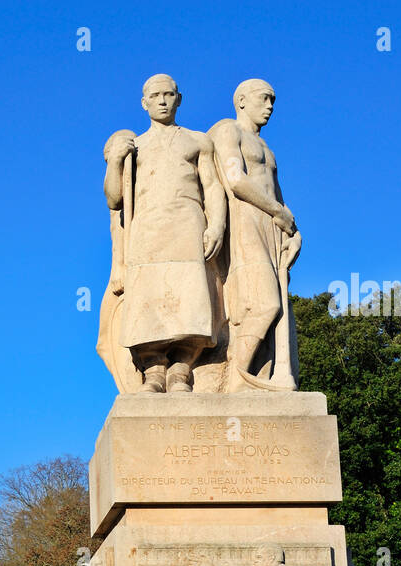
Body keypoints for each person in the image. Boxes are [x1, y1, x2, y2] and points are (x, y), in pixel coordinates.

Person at [99, 74, 226, 394]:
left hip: (187, 224)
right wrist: (115, 161)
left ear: (179, 99)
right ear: (144, 103)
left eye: (169, 94)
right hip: (147, 231)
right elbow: (114, 199)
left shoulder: (198, 141)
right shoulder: (134, 146)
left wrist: (217, 226)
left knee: (191, 300)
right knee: (148, 302)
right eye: (155, 95)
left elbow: (212, 187)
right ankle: (154, 369)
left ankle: (182, 368)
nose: (163, 100)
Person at [208, 79, 302, 391]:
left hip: (271, 226)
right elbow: (236, 181)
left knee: (276, 313)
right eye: (264, 99)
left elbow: (279, 196)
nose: (270, 106)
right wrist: (277, 211)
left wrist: (294, 233)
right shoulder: (227, 130)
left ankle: (258, 380)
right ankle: (237, 378)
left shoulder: (267, 150)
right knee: (263, 304)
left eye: (273, 100)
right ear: (242, 101)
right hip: (244, 219)